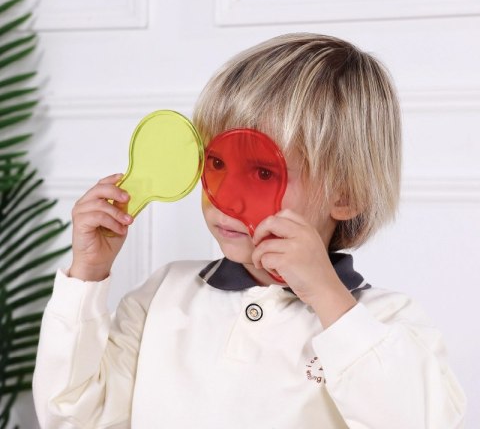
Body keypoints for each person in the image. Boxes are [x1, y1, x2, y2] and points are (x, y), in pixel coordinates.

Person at [33, 33, 466, 428]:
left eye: (262, 172)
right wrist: (87, 275)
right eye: (218, 163)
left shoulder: (386, 321)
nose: (228, 199)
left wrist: (328, 298)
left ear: (345, 195)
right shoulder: (162, 296)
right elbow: (70, 417)